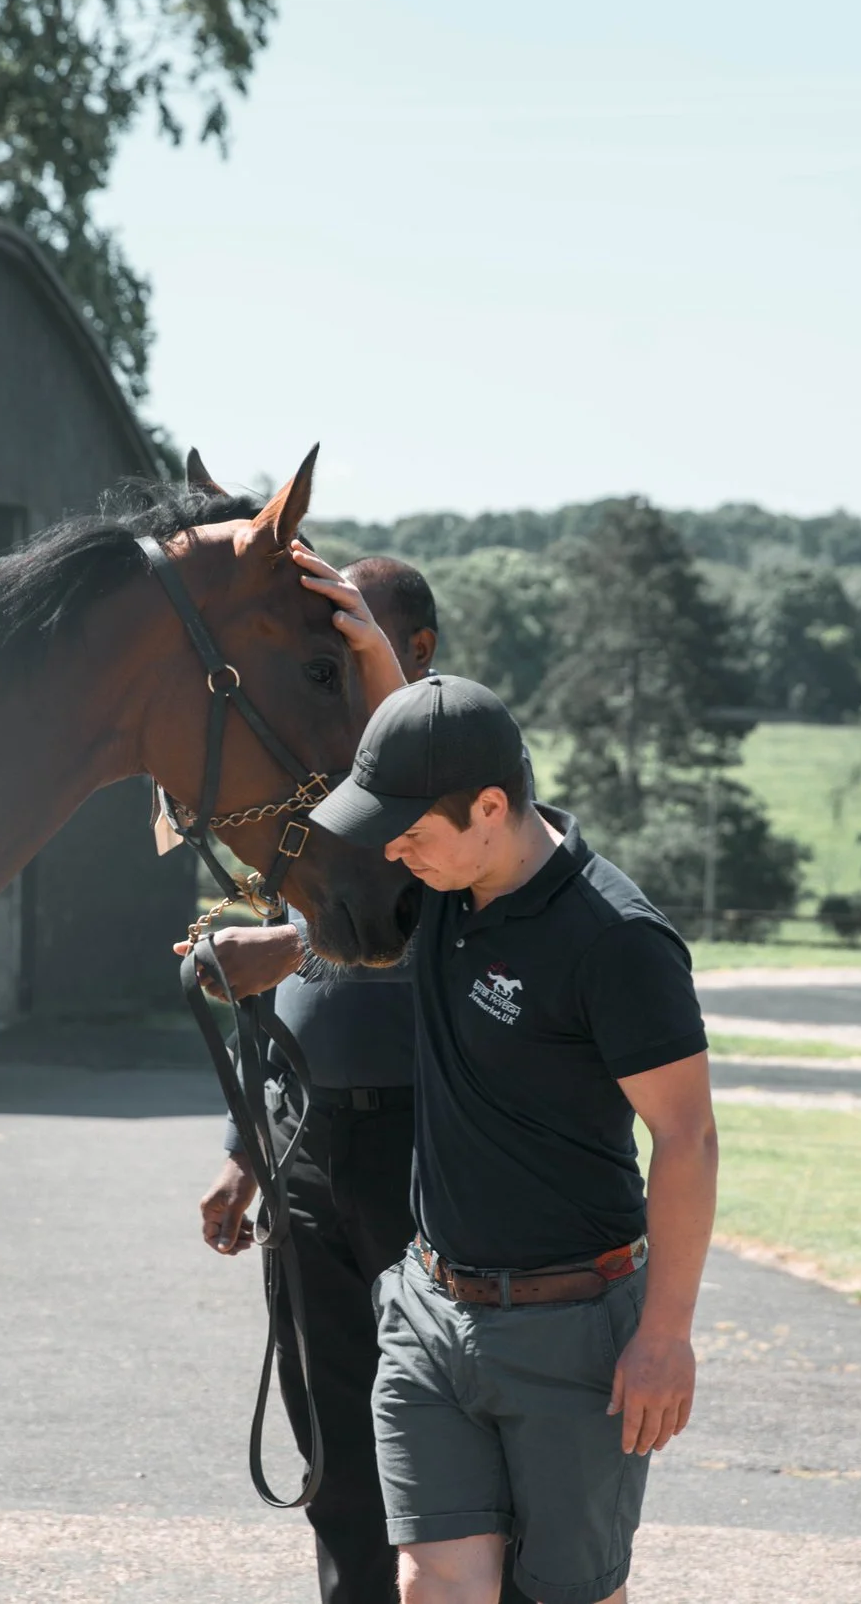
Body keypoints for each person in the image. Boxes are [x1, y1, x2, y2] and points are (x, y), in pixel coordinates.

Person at [304, 672, 720, 1604]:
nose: (396, 850)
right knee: (433, 1582)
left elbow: (687, 1138)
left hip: (572, 1329)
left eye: (412, 830)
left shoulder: (617, 941)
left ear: (491, 807)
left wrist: (667, 1334)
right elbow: (434, 732)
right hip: (428, 1305)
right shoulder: (450, 885)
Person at [195, 556, 534, 1604]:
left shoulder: (471, 774)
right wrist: (243, 1154)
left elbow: (465, 910)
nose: (338, 668)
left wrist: (287, 945)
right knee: (331, 1431)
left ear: (414, 653)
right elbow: (280, 1012)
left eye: (356, 643)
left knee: (447, 1424)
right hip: (305, 1142)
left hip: (422, 1147)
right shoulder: (328, 794)